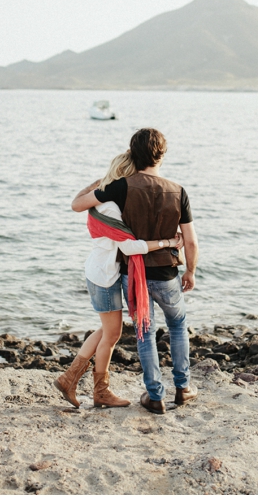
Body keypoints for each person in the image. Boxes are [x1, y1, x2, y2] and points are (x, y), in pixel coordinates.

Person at [71, 128, 200, 415]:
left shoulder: (121, 187)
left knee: (145, 333)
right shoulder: (178, 190)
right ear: (162, 155)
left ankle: (155, 396)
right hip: (167, 274)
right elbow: (190, 240)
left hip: (135, 275)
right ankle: (183, 388)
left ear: (133, 153)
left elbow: (78, 204)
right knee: (178, 326)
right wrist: (190, 270)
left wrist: (103, 181)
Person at [54, 151, 183, 409]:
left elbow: (78, 200)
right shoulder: (111, 207)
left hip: (101, 271)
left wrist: (103, 183)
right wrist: (168, 242)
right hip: (104, 276)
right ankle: (93, 389)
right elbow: (130, 248)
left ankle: (73, 379)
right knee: (112, 333)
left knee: (107, 331)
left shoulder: (103, 200)